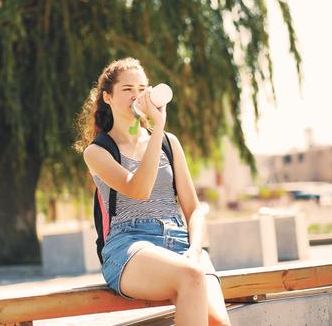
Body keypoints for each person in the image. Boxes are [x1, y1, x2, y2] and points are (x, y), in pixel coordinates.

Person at [74, 57, 231, 326]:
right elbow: (139, 189)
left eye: (142, 88)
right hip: (129, 246)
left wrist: (195, 250)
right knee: (191, 277)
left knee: (218, 322)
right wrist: (158, 126)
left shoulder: (170, 143)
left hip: (183, 245)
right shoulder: (97, 152)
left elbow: (193, 210)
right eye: (127, 89)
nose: (136, 96)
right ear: (107, 97)